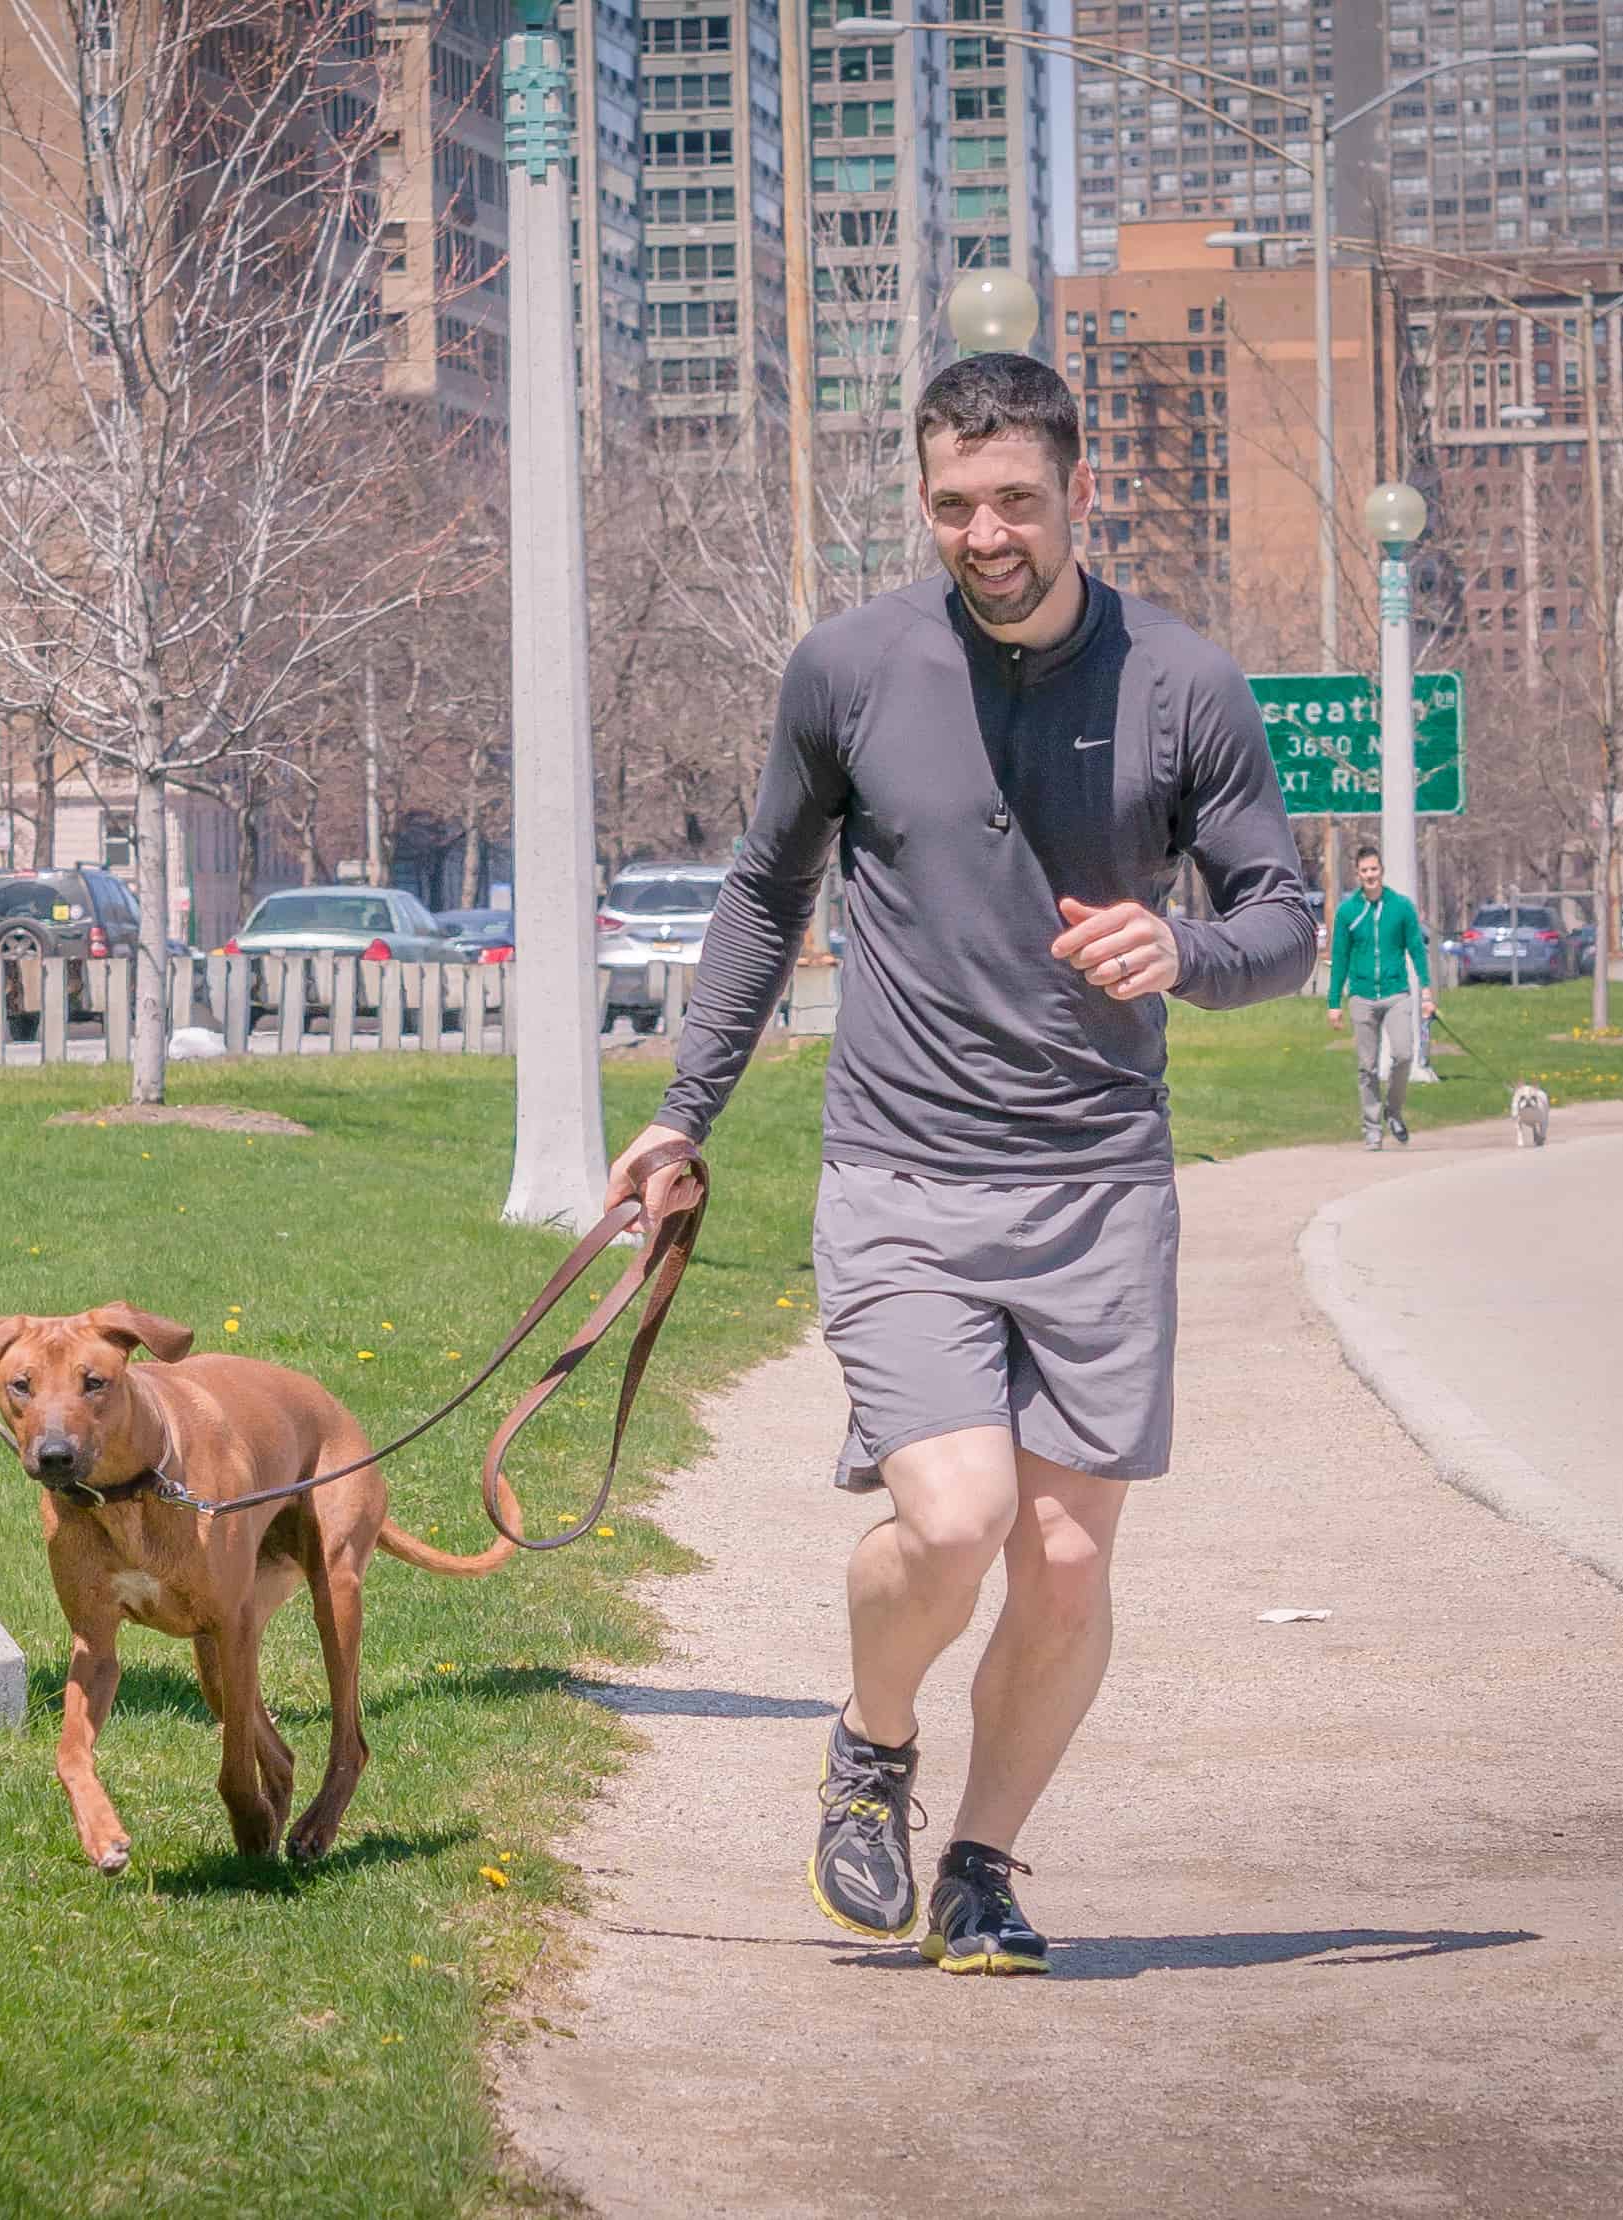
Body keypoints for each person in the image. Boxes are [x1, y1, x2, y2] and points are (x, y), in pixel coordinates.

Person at [601, 352, 1314, 1975]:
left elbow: (1284, 916)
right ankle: (870, 1740)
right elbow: (763, 898)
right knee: (954, 1517)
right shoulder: (846, 671)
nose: (984, 533)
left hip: (1098, 1187)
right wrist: (682, 1114)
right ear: (920, 501)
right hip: (904, 1174)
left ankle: (981, 1865)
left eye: (1013, 500)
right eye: (950, 504)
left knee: (1063, 1564)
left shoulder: (1181, 683)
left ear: (1077, 493)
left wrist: (1183, 948)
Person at [1326, 845, 1433, 1150]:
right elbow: (1340, 957)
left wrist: (1425, 990)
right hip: (1361, 995)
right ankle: (1372, 1128)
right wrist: (1334, 1003)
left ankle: (1394, 1112)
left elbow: (1416, 949)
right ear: (1357, 874)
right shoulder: (1349, 912)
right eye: (1364, 871)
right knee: (1367, 1066)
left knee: (1403, 1054)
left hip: (1396, 991)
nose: (1370, 875)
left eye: (1374, 869)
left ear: (1381, 871)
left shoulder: (1401, 907)